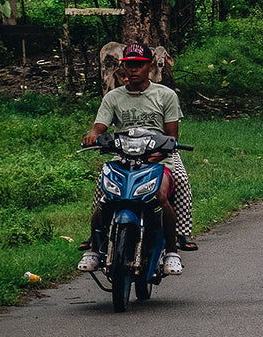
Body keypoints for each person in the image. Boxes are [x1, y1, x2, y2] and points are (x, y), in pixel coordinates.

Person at [77, 43, 191, 275]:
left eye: (139, 65)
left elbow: (172, 136)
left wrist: (161, 152)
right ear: (123, 67)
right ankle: (94, 246)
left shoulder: (166, 95)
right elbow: (100, 126)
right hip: (124, 155)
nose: (133, 69)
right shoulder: (113, 97)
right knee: (104, 192)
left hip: (159, 155)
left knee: (170, 187)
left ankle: (174, 246)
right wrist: (93, 135)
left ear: (150, 66)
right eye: (129, 65)